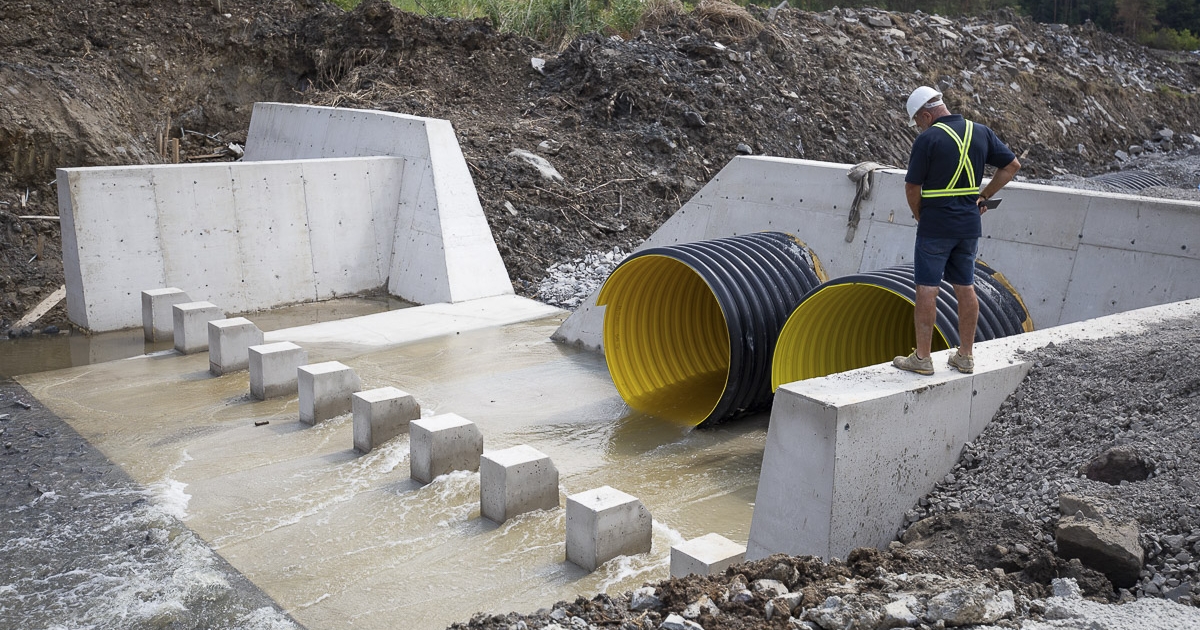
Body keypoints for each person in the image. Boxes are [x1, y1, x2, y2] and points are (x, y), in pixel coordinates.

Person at [892, 86, 1021, 376]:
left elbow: (912, 187)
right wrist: (983, 196)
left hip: (935, 226)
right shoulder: (981, 131)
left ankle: (923, 359)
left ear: (927, 114)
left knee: (927, 288)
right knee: (965, 287)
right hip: (969, 225)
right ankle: (965, 356)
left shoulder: (928, 139)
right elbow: (1012, 166)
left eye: (919, 121)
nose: (919, 127)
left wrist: (919, 215)